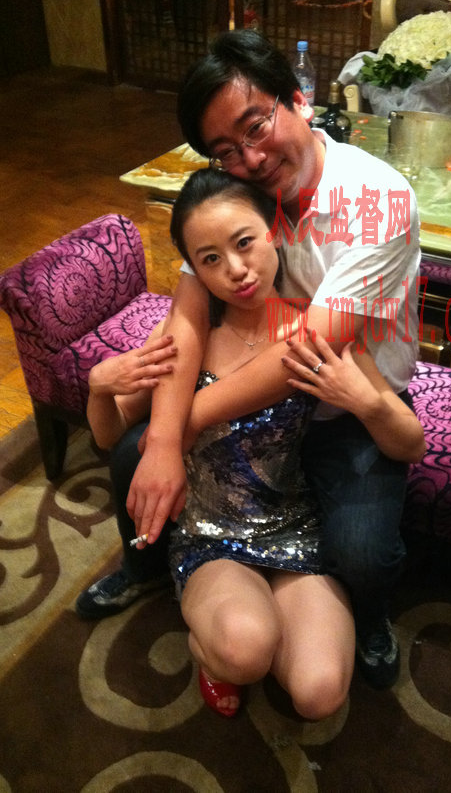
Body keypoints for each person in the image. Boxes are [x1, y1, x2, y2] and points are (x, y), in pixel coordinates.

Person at [79, 29, 423, 690]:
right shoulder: (237, 199)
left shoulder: (378, 201)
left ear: (298, 99)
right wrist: (158, 441)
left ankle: (370, 612)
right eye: (225, 150)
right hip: (246, 385)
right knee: (130, 458)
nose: (252, 158)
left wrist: (176, 428)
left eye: (256, 126)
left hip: (350, 398)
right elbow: (187, 314)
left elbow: (310, 347)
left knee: (361, 550)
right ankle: (144, 565)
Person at [86, 168, 356, 720]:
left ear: (274, 232)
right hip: (209, 535)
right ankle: (215, 650)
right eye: (210, 259)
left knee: (320, 694)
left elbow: (391, 416)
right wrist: (98, 386)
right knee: (244, 649)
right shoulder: (184, 339)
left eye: (244, 242)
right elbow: (112, 435)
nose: (235, 269)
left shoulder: (316, 327)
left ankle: (259, 628)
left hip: (294, 527)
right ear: (194, 270)